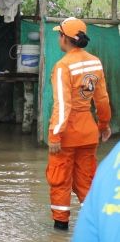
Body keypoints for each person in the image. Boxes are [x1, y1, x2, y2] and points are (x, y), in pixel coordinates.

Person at [46, 17, 111, 230]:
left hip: (66, 135)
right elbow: (102, 99)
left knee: (60, 180)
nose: (58, 38)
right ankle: (97, 225)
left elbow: (63, 105)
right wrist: (104, 124)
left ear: (65, 39)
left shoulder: (63, 66)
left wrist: (55, 134)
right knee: (87, 181)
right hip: (88, 132)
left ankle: (60, 228)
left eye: (59, 34)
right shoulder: (95, 62)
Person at [72, 140, 120, 241]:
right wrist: (103, 128)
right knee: (85, 180)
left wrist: (54, 138)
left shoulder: (108, 165)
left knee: (60, 181)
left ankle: (60, 223)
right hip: (89, 138)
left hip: (67, 141)